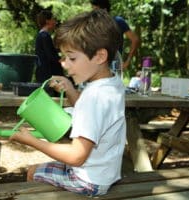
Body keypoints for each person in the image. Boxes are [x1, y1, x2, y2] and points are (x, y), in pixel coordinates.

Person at [10, 9, 126, 196]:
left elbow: (76, 156)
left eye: (72, 58)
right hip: (106, 172)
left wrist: (32, 141)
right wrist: (71, 90)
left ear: (100, 56)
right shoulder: (111, 84)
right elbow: (92, 113)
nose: (64, 64)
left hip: (88, 180)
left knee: (32, 172)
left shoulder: (93, 97)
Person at [90, 0, 140, 70]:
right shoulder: (94, 25)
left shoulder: (118, 21)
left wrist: (128, 61)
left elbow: (135, 40)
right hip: (97, 66)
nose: (93, 13)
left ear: (104, 10)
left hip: (114, 67)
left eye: (96, 10)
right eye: (92, 9)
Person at [35, 10, 64, 83]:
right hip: (48, 74)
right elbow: (50, 55)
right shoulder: (44, 36)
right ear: (47, 21)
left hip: (44, 73)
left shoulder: (43, 35)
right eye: (53, 19)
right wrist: (62, 60)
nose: (55, 22)